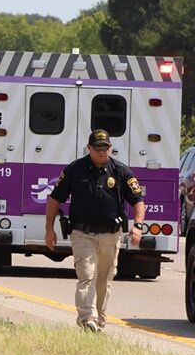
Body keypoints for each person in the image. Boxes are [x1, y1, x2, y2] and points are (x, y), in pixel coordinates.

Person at [45, 129, 145, 333]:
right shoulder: (75, 170)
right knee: (87, 275)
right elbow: (55, 199)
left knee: (104, 280)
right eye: (97, 148)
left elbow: (138, 201)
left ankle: (99, 320)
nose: (101, 152)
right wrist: (49, 230)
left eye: (105, 148)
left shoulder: (121, 171)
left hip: (111, 234)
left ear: (110, 148)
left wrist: (138, 225)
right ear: (89, 148)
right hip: (83, 233)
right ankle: (86, 318)